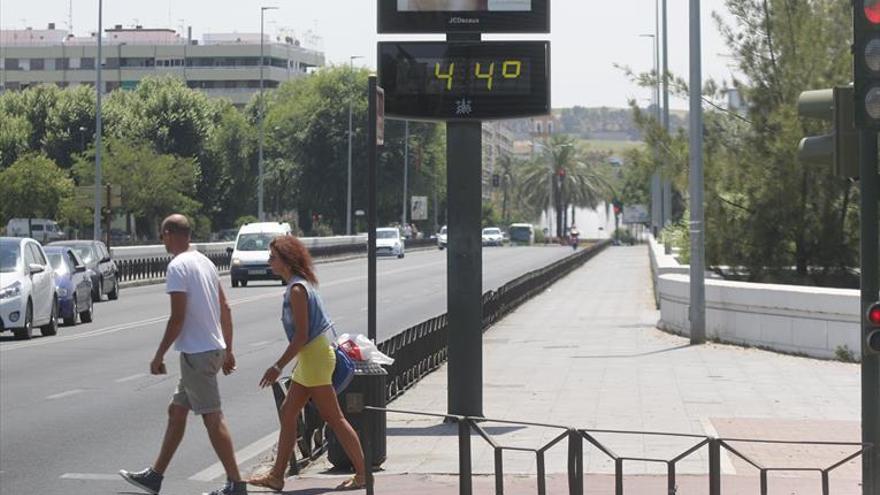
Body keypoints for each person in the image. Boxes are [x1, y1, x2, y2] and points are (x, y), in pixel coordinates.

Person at [119, 214, 247, 495]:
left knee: (213, 418)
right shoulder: (205, 262)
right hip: (210, 350)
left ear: (169, 234)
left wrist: (158, 355)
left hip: (197, 354)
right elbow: (225, 308)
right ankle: (155, 476)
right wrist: (228, 349)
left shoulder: (178, 266)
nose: (161, 240)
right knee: (177, 411)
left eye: (162, 235)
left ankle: (236, 484)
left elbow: (176, 318)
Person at [248, 235, 366, 492]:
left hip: (314, 359)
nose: (269, 262)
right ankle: (277, 476)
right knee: (289, 412)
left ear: (286, 261)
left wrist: (277, 366)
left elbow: (301, 336)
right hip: (311, 358)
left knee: (335, 418)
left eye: (273, 258)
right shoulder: (299, 285)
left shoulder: (298, 290)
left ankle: (362, 476)